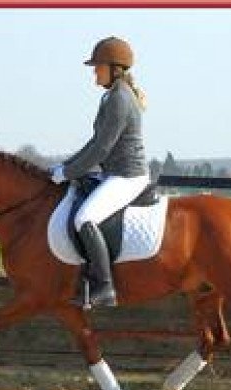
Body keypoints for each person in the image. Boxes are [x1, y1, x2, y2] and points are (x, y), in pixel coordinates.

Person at [50, 36, 149, 308]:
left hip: (127, 176)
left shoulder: (120, 98)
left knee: (85, 218)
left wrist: (68, 172)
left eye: (98, 66)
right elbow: (93, 142)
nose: (95, 71)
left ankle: (105, 287)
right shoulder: (112, 96)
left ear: (114, 68)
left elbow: (102, 149)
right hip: (114, 173)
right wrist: (65, 167)